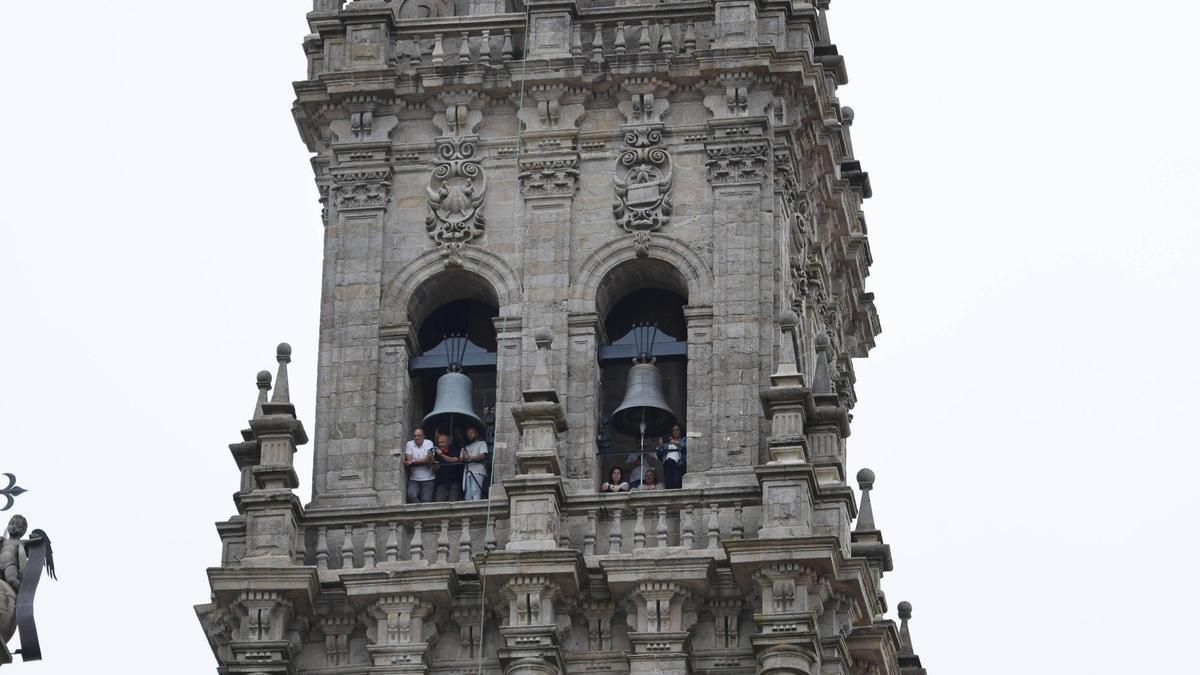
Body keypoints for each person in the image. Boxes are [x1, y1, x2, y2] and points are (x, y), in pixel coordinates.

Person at [402, 428, 437, 503]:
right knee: (411, 495)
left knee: (426, 500)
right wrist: (422, 460)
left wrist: (413, 462)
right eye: (414, 436)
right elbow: (408, 458)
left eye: (418, 436)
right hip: (414, 478)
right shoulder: (409, 444)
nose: (416, 438)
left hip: (428, 477)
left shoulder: (429, 443)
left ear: (423, 436)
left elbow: (429, 459)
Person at [461, 425, 489, 501]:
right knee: (467, 494)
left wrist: (469, 457)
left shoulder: (481, 443)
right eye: (468, 433)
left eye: (471, 432)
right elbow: (461, 459)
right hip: (467, 472)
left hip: (478, 471)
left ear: (477, 434)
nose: (469, 434)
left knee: (475, 491)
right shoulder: (466, 447)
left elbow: (483, 455)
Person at [434, 431, 464, 502]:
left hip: (454, 482)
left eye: (443, 442)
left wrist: (441, 455)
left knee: (453, 503)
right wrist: (431, 459)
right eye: (439, 442)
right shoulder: (436, 453)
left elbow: (454, 460)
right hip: (441, 482)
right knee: (439, 504)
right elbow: (435, 469)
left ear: (448, 442)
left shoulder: (454, 449)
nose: (441, 444)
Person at [656, 424, 687, 489]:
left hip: (678, 464)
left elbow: (685, 447)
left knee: (676, 483)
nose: (675, 432)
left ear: (680, 431)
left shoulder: (684, 439)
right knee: (668, 484)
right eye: (673, 430)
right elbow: (660, 455)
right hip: (667, 464)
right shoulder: (667, 443)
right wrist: (660, 446)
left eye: (676, 430)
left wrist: (675, 442)